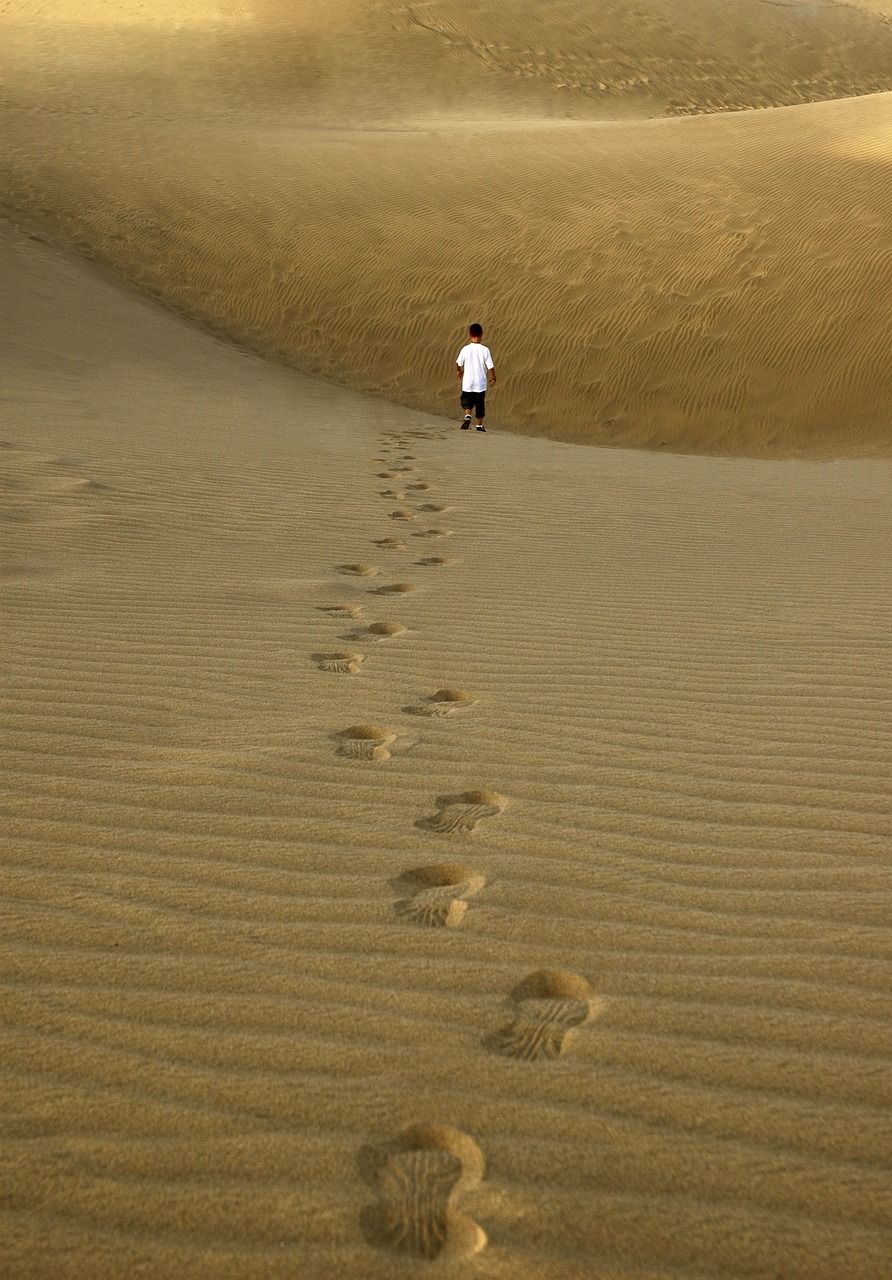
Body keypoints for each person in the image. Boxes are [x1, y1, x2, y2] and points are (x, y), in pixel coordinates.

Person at [455, 323, 496, 431]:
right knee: (479, 404)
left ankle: (468, 415)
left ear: (469, 335)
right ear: (481, 335)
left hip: (468, 382)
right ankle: (479, 425)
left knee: (467, 401)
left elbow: (458, 362)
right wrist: (494, 377)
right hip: (480, 383)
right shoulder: (485, 350)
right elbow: (490, 366)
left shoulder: (465, 349)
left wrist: (459, 371)